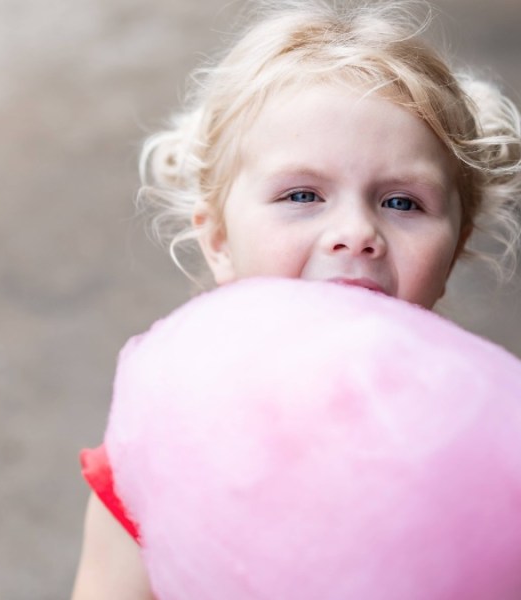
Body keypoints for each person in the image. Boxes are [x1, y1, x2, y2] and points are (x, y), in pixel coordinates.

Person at [71, 0, 521, 597]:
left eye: (402, 202)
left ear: (457, 245)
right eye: (302, 195)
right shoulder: (156, 458)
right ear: (218, 239)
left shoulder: (492, 454)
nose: (356, 233)